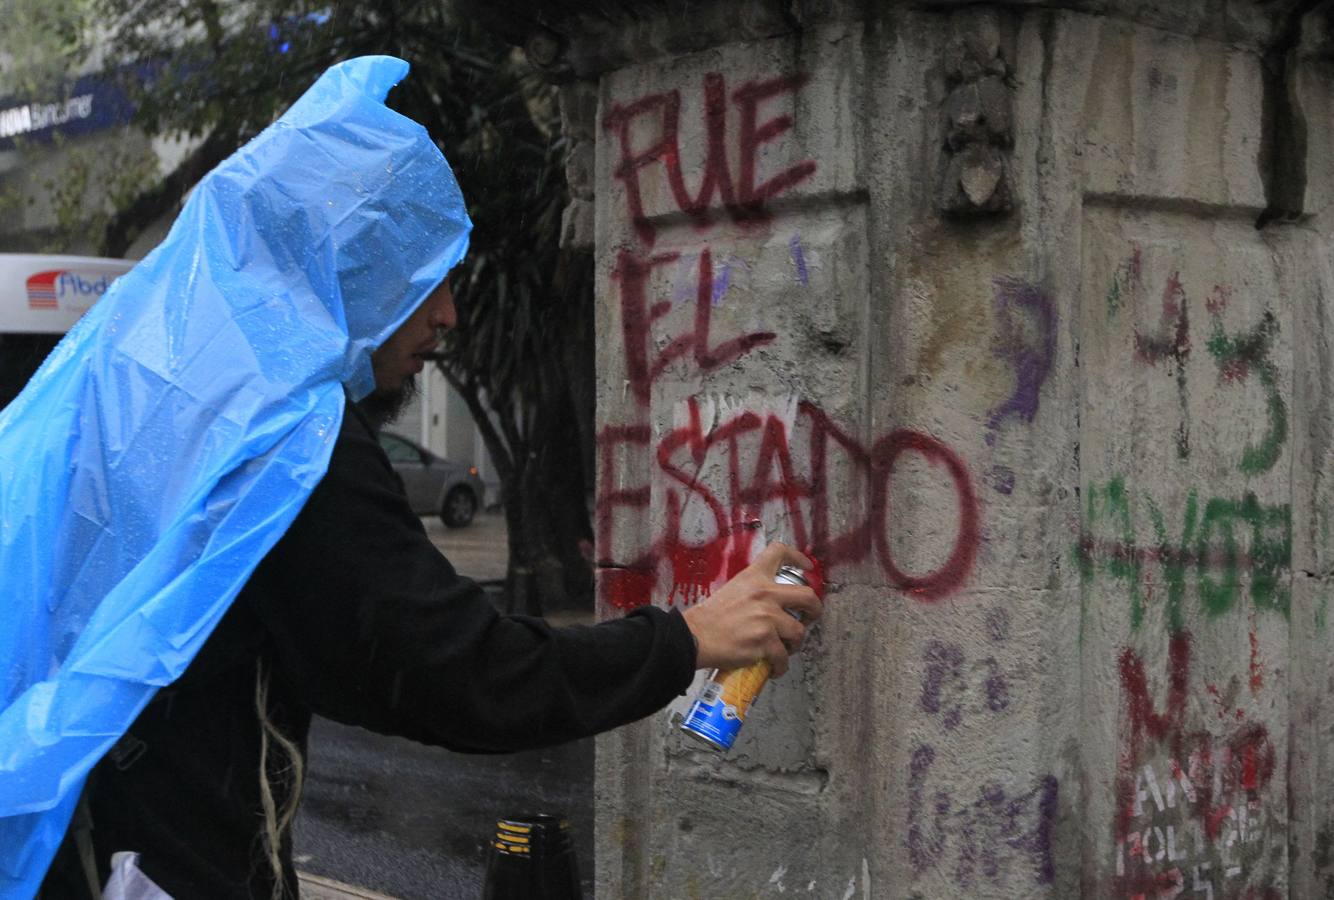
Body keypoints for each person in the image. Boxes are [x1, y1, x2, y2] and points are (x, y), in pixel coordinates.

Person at [12, 57, 821, 899]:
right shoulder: (284, 440)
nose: (447, 314)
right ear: (344, 266)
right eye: (422, 276)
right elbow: (457, 673)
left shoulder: (143, 390)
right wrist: (689, 639)